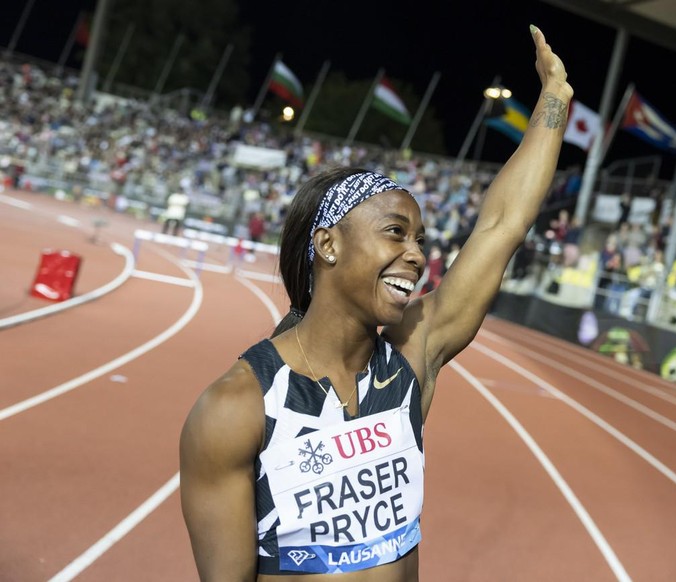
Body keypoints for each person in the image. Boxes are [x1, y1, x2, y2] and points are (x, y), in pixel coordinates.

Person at [179, 25, 572, 580]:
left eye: (420, 240)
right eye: (394, 232)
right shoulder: (236, 409)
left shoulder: (410, 363)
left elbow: (504, 225)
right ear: (329, 244)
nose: (415, 255)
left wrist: (553, 100)